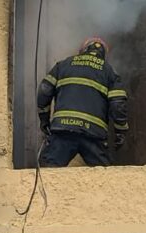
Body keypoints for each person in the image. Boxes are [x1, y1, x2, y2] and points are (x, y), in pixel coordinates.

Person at [36, 37, 128, 167]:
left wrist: (44, 119)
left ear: (83, 50)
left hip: (63, 131)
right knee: (105, 178)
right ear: (104, 55)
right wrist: (120, 132)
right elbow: (118, 104)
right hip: (93, 135)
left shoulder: (63, 65)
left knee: (49, 173)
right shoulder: (108, 71)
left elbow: (44, 91)